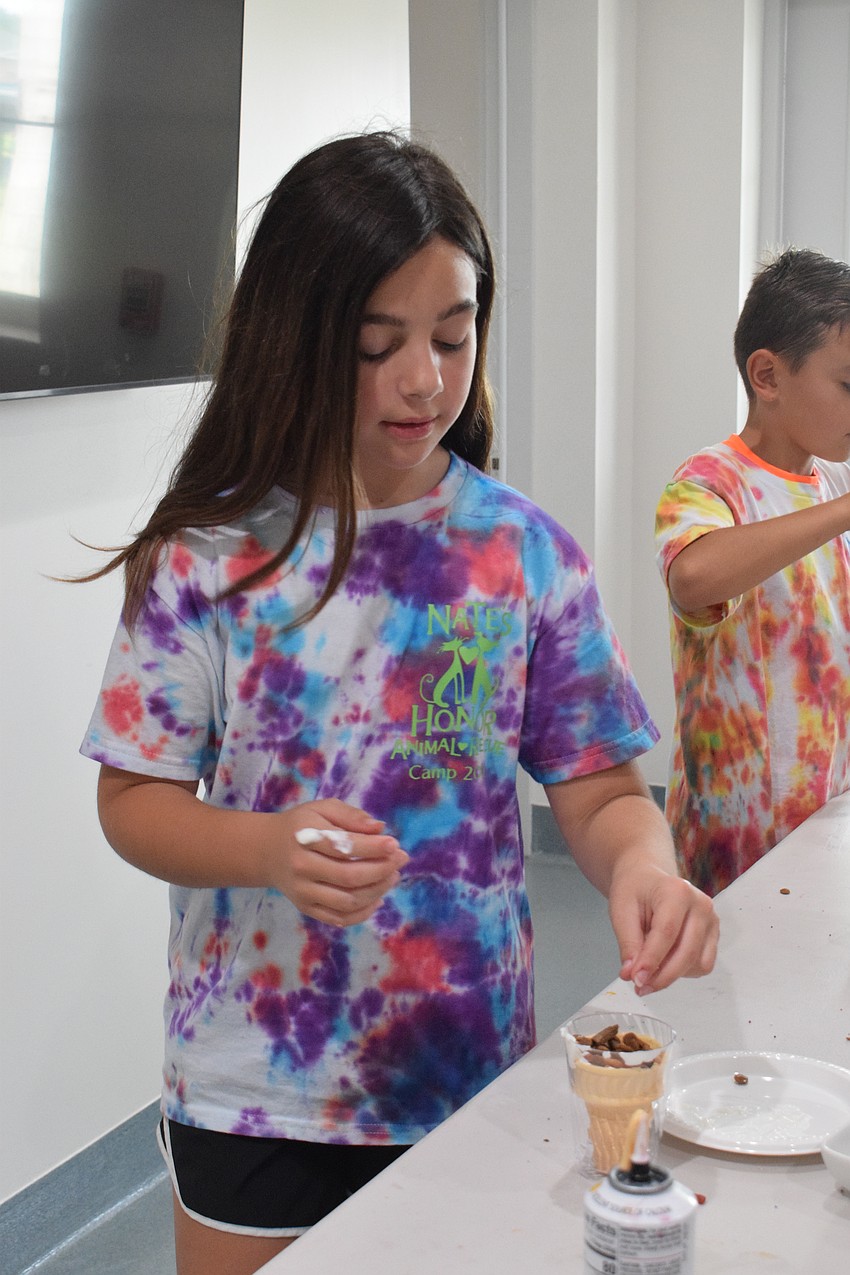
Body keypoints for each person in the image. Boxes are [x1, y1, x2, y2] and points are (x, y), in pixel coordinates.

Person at [80, 131, 717, 1275]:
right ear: (295, 341)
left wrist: (643, 869)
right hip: (255, 1089)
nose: (423, 378)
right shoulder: (207, 557)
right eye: (377, 346)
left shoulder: (522, 554)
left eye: (451, 333)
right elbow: (133, 800)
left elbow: (600, 784)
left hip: (460, 1070)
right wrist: (268, 847)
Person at [656, 246, 850, 898]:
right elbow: (696, 577)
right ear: (767, 375)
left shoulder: (832, 480)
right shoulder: (709, 480)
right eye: (849, 384)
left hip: (823, 814)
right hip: (733, 837)